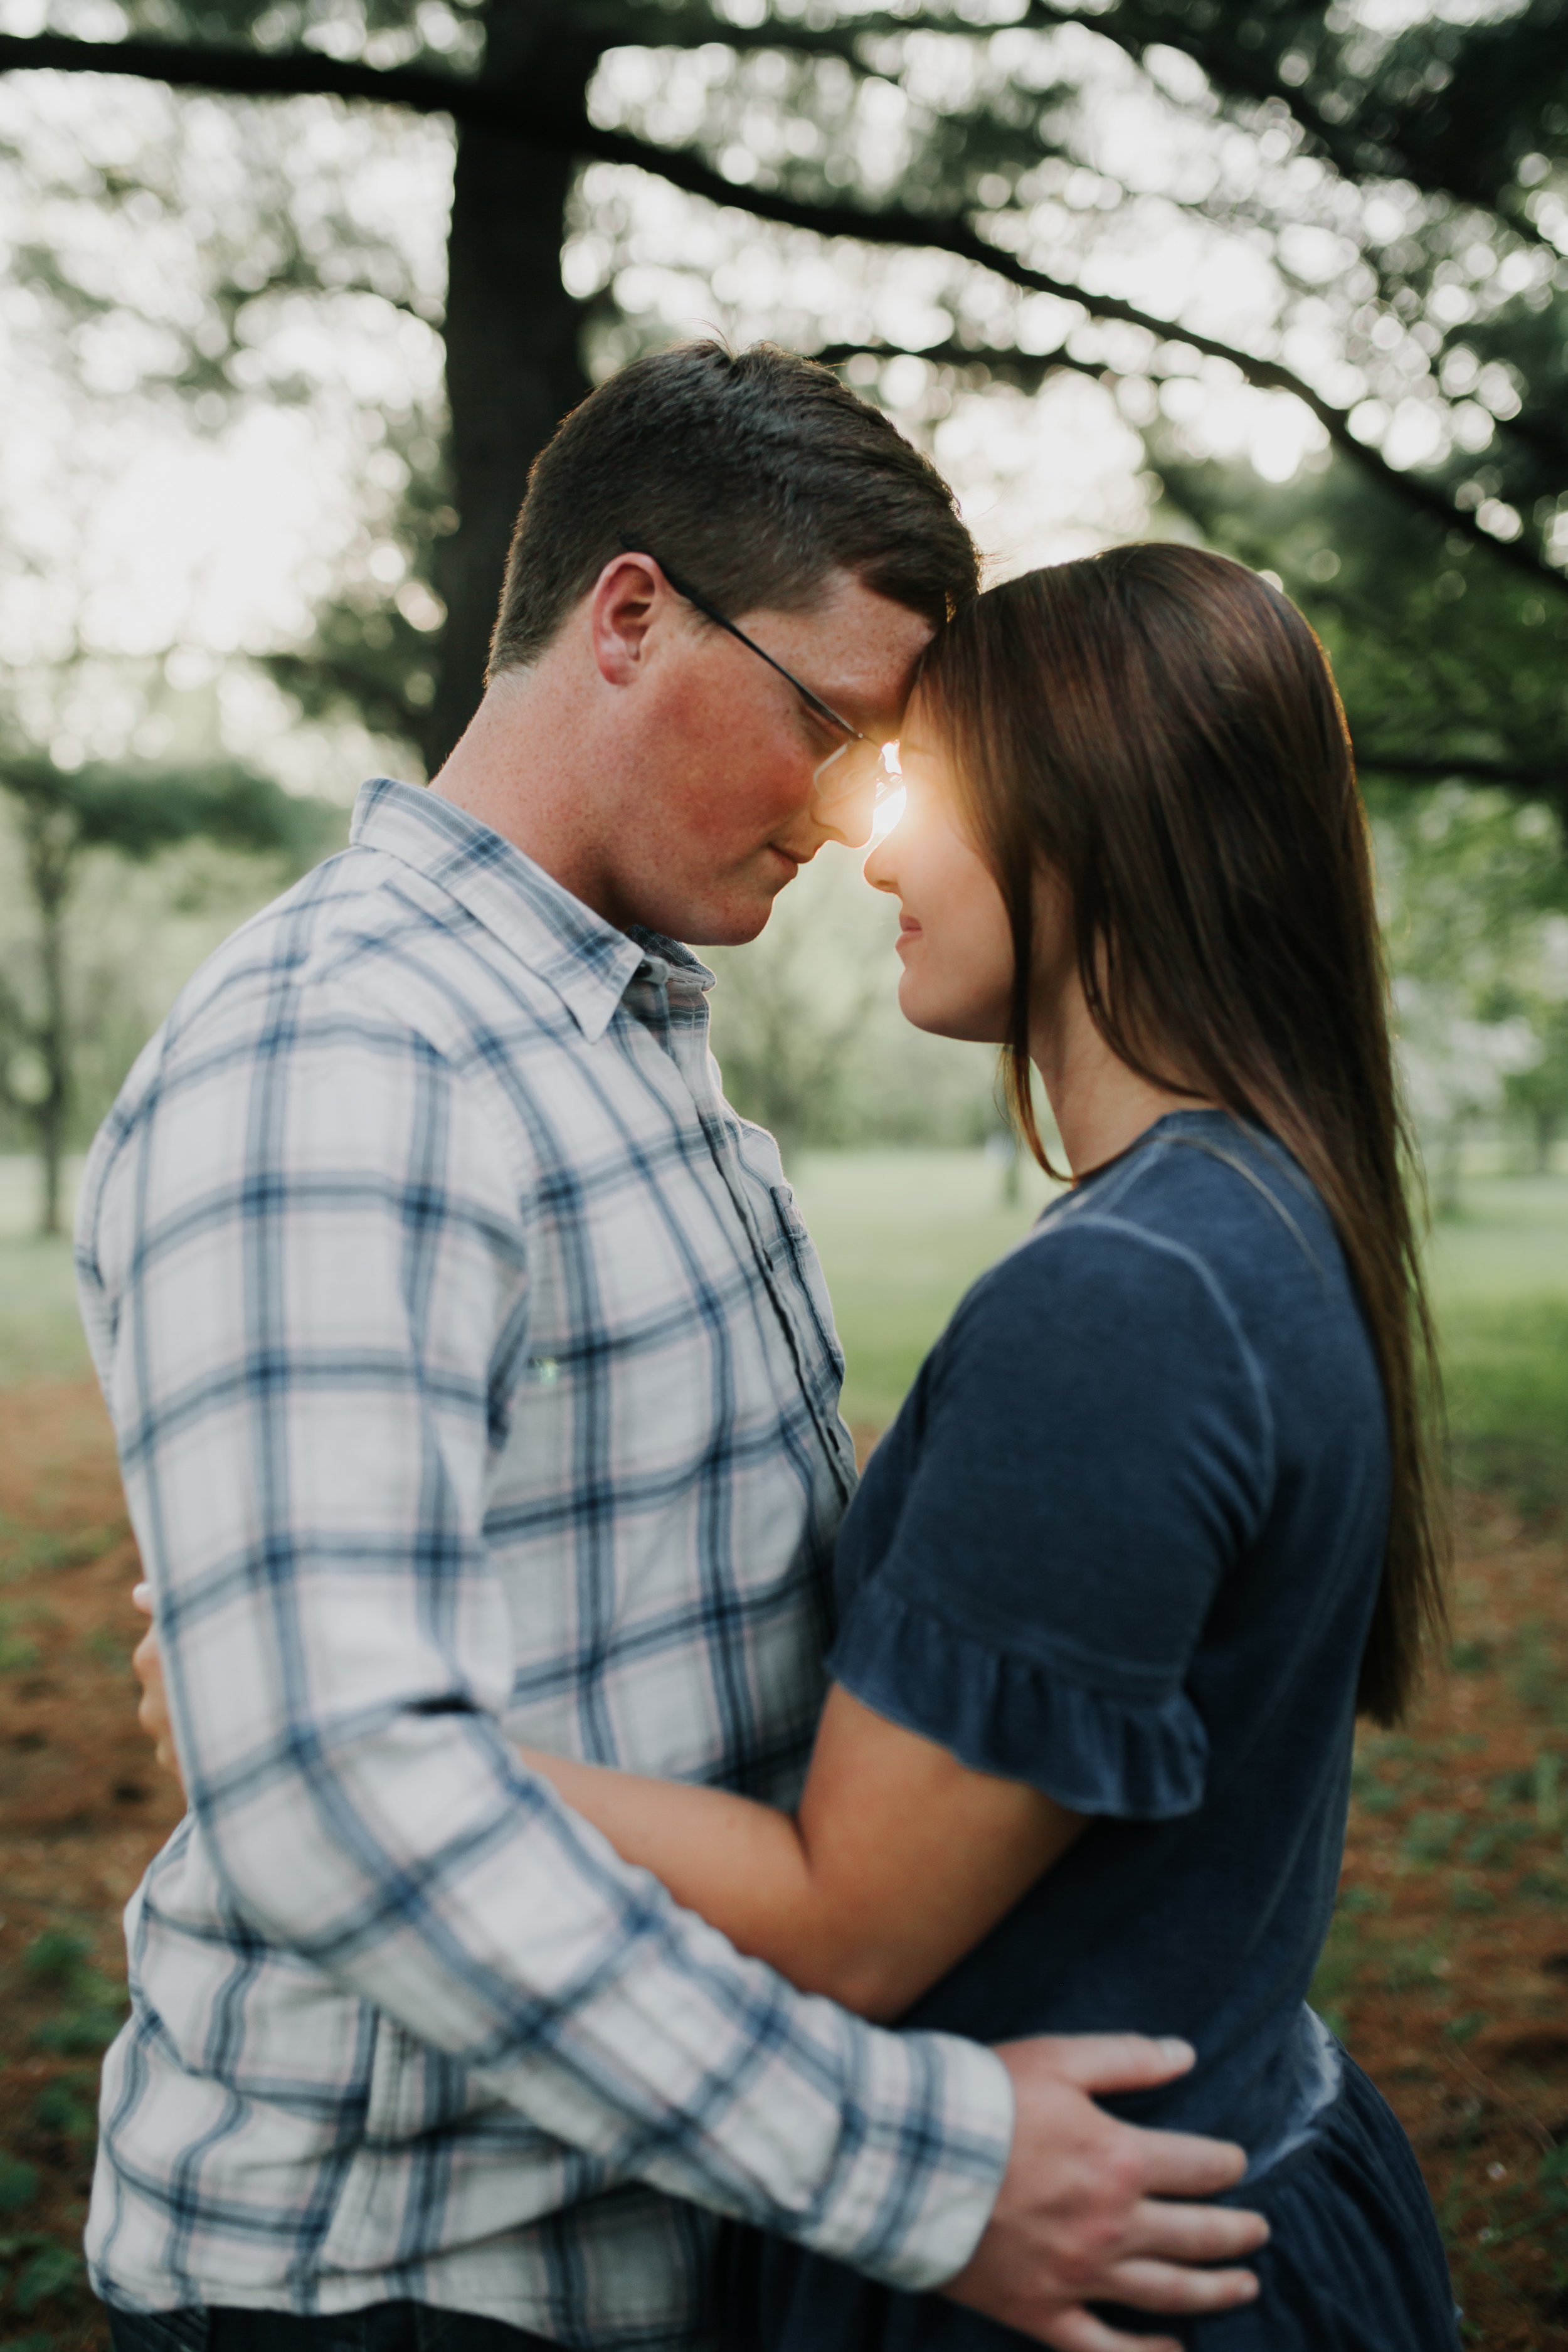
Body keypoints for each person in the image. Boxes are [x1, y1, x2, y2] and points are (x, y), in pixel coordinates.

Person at [85, 342, 1266, 2352]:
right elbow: (331, 1793)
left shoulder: (625, 1046)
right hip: (402, 2284)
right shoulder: (345, 1050)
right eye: (832, 725)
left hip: (653, 2224)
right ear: (628, 616)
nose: (847, 817)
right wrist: (913, 2164)